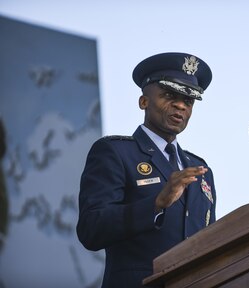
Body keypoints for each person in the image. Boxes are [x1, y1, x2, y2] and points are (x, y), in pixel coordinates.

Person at [76, 52, 216, 288]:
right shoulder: (115, 152)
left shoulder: (201, 169)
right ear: (144, 102)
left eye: (188, 101)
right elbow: (92, 229)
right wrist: (156, 204)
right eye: (169, 95)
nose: (180, 105)